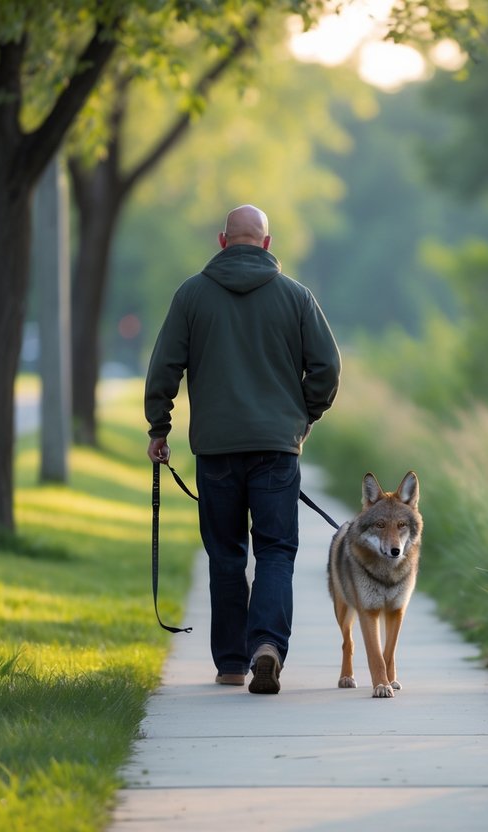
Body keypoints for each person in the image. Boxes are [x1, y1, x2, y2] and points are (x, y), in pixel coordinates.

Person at [145, 204, 341, 695]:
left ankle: (232, 662)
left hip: (216, 451)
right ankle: (268, 646)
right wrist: (304, 416)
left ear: (222, 240)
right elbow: (327, 369)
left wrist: (159, 427)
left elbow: (164, 367)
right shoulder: (296, 297)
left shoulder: (191, 295)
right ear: (267, 244)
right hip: (277, 449)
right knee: (275, 551)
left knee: (226, 554)